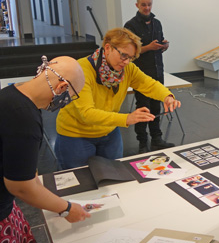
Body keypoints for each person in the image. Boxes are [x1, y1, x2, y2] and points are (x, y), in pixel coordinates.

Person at [0, 56, 91, 243]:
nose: (66, 102)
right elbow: (20, 186)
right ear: (62, 87)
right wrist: (66, 208)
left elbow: (24, 171)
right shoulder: (23, 117)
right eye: (71, 95)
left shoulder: (11, 93)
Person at [55, 28, 181, 170]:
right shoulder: (81, 70)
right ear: (108, 48)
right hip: (75, 135)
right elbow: (86, 114)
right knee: (79, 183)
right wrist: (126, 119)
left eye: (131, 57)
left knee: (114, 176)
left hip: (109, 132)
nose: (127, 62)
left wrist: (167, 96)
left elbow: (148, 84)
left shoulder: (127, 69)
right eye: (123, 55)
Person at [124, 0, 173, 153]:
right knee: (143, 107)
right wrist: (148, 47)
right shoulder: (130, 26)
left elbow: (158, 47)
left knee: (156, 107)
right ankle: (142, 141)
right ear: (137, 5)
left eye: (149, 4)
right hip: (141, 73)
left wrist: (163, 46)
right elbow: (129, 52)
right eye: (143, 5)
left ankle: (156, 138)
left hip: (158, 70)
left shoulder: (157, 23)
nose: (147, 8)